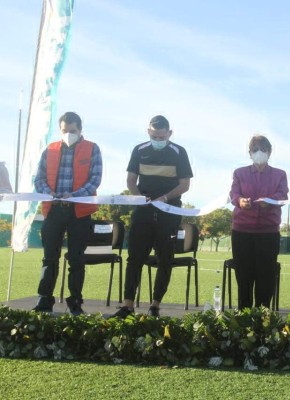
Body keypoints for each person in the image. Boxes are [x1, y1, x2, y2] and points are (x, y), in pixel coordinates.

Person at [113, 115, 193, 318]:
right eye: (154, 136)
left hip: (169, 212)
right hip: (143, 212)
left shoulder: (179, 152)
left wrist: (165, 197)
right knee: (134, 258)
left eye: (161, 137)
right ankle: (128, 305)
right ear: (148, 132)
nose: (158, 140)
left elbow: (185, 184)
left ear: (169, 134)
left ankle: (155, 305)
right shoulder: (139, 150)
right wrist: (140, 198)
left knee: (165, 258)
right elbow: (131, 180)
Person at [33, 112, 102, 315]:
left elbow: (95, 180)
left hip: (79, 211)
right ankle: (44, 301)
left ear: (80, 130)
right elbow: (39, 179)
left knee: (76, 259)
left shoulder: (92, 148)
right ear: (60, 130)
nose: (68, 134)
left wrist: (73, 195)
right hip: (53, 210)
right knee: (49, 258)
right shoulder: (50, 149)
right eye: (64, 131)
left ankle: (75, 303)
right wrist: (50, 193)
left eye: (72, 131)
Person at [229, 135, 289, 309]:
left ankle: (263, 314)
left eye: (263, 149)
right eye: (255, 149)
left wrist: (270, 201)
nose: (259, 153)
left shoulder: (280, 174)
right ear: (249, 153)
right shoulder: (239, 173)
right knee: (243, 276)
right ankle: (244, 314)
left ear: (269, 152)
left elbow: (283, 195)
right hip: (242, 232)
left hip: (268, 233)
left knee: (266, 276)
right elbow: (234, 194)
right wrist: (240, 201)